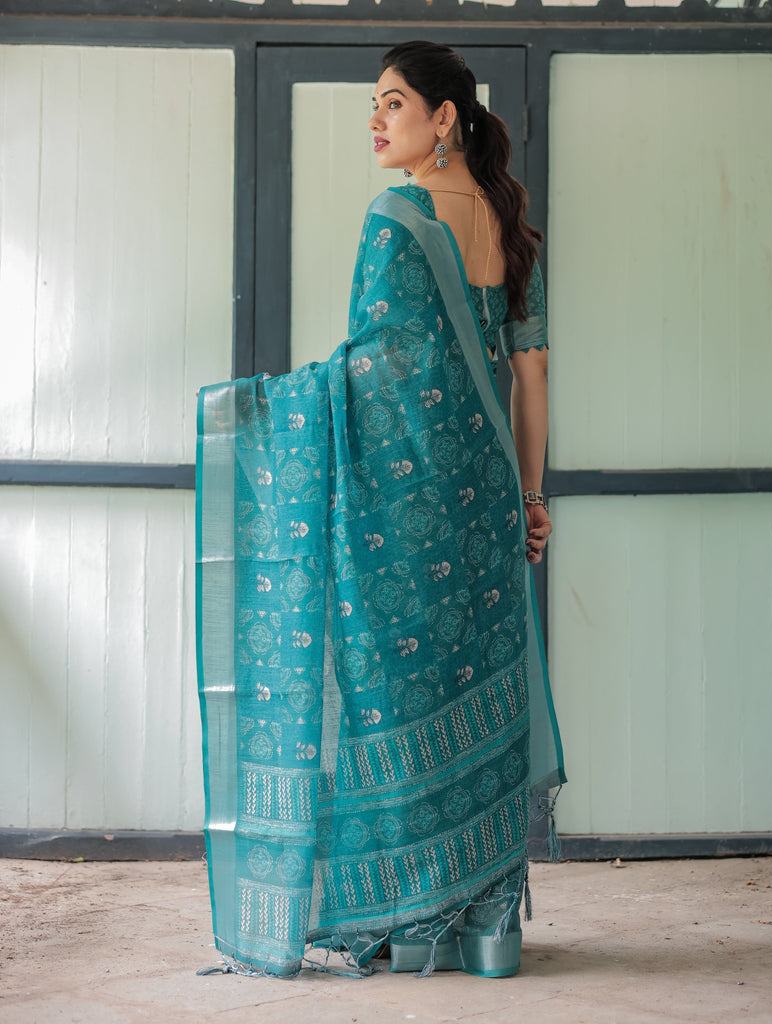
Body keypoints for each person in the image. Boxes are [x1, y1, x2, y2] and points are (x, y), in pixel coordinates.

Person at [196, 40, 565, 981]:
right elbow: (530, 375)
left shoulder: (395, 214)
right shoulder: (511, 222)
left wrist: (265, 411)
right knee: (477, 681)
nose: (376, 121)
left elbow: (372, 365)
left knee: (396, 689)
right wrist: (529, 495)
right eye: (374, 104)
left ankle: (419, 925)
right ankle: (490, 928)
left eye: (392, 104)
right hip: (483, 502)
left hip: (407, 501)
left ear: (443, 117)